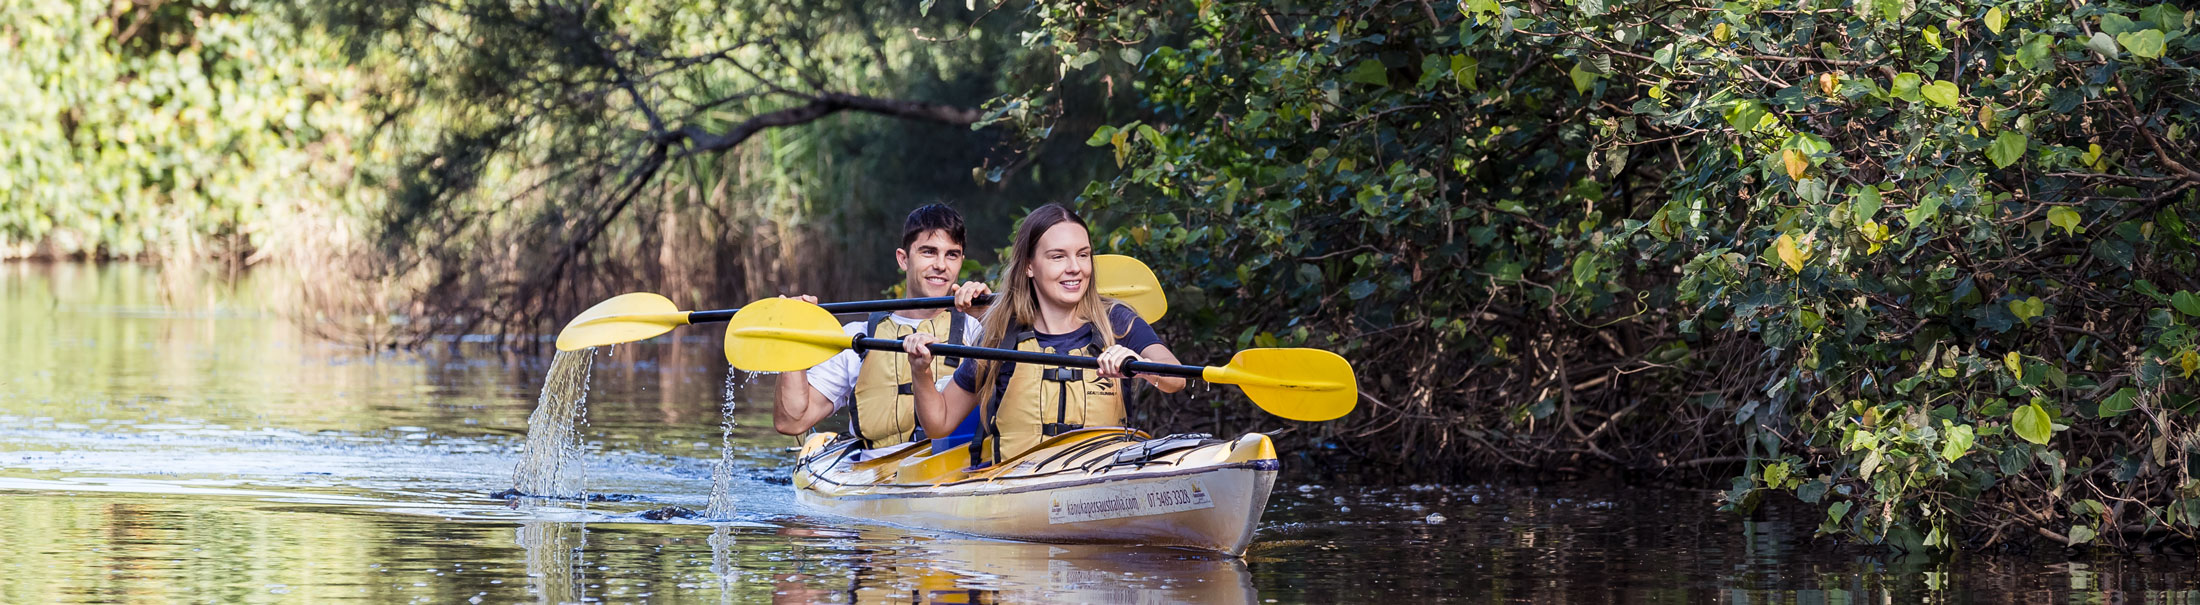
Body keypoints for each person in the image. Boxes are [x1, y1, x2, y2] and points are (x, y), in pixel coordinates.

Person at [903, 203, 1186, 465]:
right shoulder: (1002, 333)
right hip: (1017, 488)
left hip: (1101, 484)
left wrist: (1137, 363)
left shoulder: (1116, 320)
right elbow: (939, 423)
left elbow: (1176, 379)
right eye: (1058, 257)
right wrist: (921, 371)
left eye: (1083, 255)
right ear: (1029, 265)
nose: (1074, 268)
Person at [772, 204, 988, 451]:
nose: (941, 265)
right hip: (874, 474)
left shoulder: (977, 330)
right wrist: (792, 335)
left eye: (952, 254)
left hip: (954, 470)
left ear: (961, 261)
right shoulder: (858, 337)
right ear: (903, 259)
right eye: (929, 252)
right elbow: (791, 421)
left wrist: (992, 319)